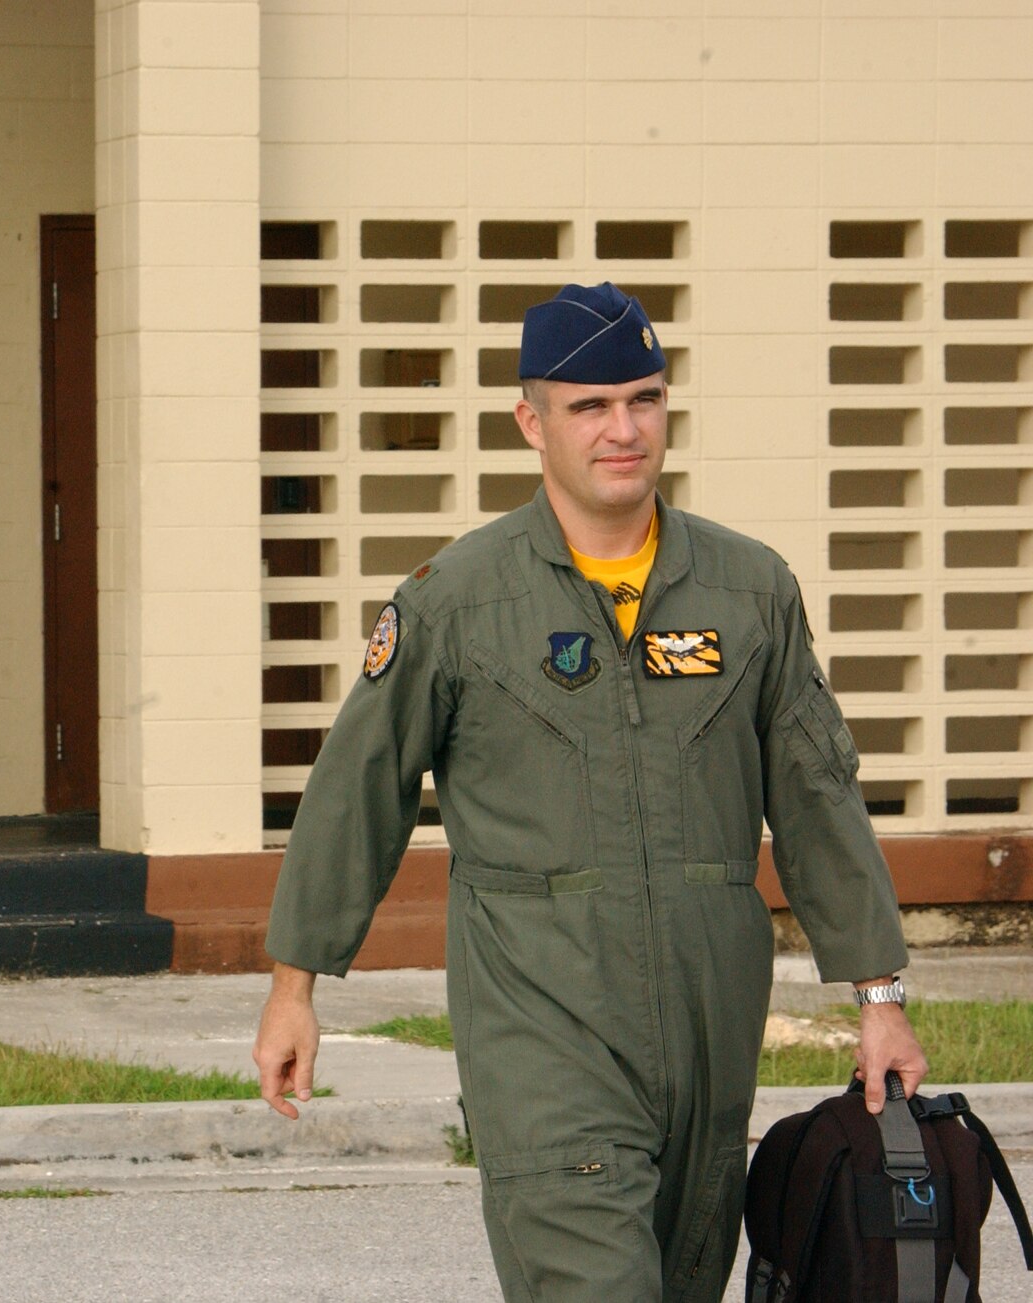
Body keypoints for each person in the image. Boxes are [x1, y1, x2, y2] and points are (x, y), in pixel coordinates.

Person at [252, 282, 929, 1302]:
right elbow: (359, 791)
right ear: (530, 421)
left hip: (709, 1029)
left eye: (643, 399)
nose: (623, 429)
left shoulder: (746, 593)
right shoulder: (458, 603)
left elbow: (814, 795)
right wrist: (293, 985)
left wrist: (877, 998)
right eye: (589, 406)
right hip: (541, 1022)